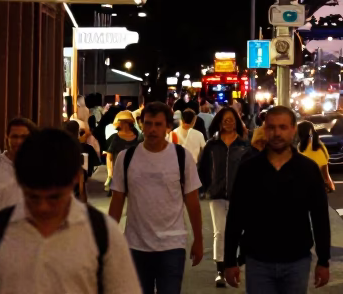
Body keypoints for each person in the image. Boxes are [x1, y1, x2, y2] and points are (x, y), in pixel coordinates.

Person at [0, 128, 143, 294]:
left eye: (54, 198)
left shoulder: (102, 234)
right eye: (33, 197)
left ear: (76, 179)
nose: (43, 207)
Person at [223, 106, 331, 292]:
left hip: (297, 260)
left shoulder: (308, 169)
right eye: (272, 127)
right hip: (258, 260)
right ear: (265, 130)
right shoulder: (249, 169)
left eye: (282, 127)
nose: (277, 133)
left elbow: (320, 217)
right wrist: (230, 260)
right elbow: (235, 217)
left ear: (293, 129)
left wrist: (323, 260)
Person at [108, 101, 203, 294]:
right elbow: (117, 201)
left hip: (172, 245)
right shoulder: (126, 158)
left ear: (168, 126)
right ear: (141, 124)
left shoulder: (181, 157)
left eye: (158, 124)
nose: (152, 129)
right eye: (148, 123)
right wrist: (109, 238)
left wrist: (198, 239)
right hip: (135, 245)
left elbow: (192, 201)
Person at [198, 106, 251, 288]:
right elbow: (202, 168)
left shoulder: (244, 145)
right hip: (218, 195)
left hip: (241, 196)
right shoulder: (212, 145)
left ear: (237, 121)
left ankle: (237, 262)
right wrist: (207, 187)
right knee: (220, 232)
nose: (228, 123)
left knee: (241, 232)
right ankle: (220, 270)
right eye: (225, 120)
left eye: (232, 119)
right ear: (219, 122)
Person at [106, 109, 141, 193]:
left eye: (125, 122)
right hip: (118, 172)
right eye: (122, 122)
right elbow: (109, 156)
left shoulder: (137, 137)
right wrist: (110, 173)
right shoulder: (115, 138)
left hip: (134, 173)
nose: (123, 124)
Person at [296, 120, 335, 193]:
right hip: (319, 187)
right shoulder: (321, 147)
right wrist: (329, 183)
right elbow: (325, 169)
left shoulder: (300, 148)